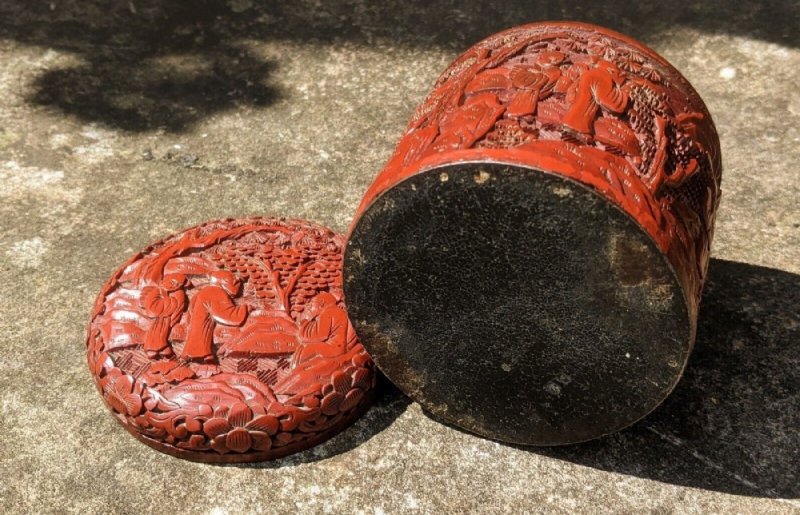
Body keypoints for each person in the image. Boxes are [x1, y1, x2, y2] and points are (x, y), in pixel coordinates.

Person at [181, 271, 247, 361]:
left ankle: (199, 354)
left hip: (198, 324)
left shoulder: (205, 291)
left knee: (199, 335)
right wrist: (244, 309)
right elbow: (227, 315)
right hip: (202, 325)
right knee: (201, 336)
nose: (239, 289)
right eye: (236, 285)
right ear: (225, 282)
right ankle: (198, 354)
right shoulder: (215, 292)